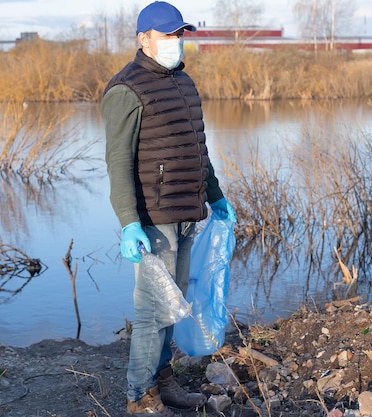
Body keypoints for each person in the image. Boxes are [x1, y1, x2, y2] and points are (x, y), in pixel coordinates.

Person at [100, 1, 237, 416]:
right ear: (144, 40)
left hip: (188, 211)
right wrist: (128, 223)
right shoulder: (126, 89)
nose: (176, 42)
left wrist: (215, 195)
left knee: (173, 306)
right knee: (153, 309)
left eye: (180, 34)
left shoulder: (184, 82)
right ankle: (139, 395)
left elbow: (199, 148)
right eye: (167, 35)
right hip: (153, 218)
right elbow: (118, 163)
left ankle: (162, 381)